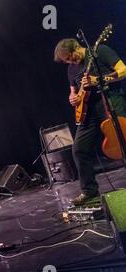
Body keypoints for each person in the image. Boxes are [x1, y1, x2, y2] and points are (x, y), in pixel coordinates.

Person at [54, 38, 126, 205]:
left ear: (77, 47)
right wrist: (72, 98)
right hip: (88, 112)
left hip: (110, 101)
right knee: (79, 149)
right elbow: (73, 91)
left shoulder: (99, 51)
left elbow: (123, 70)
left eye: (71, 57)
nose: (70, 61)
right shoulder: (71, 69)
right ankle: (89, 191)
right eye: (66, 61)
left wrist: (99, 80)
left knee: (123, 140)